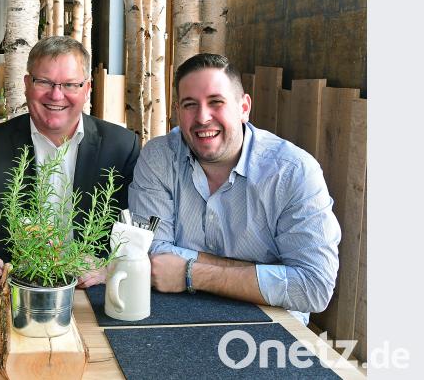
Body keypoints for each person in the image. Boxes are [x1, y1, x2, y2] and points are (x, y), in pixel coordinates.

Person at [128, 53, 340, 324]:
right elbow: (152, 254)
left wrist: (191, 273)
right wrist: (263, 275)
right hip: (175, 316)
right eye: (190, 104)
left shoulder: (293, 171)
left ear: (244, 107)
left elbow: (314, 287)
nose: (203, 117)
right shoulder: (159, 157)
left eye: (216, 102)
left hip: (270, 327)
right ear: (178, 112)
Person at [0, 36, 140, 292]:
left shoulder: (121, 146)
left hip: (94, 292)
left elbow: (135, 228)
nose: (56, 95)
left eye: (70, 85)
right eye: (44, 82)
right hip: (14, 288)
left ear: (87, 89)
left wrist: (109, 266)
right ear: (27, 84)